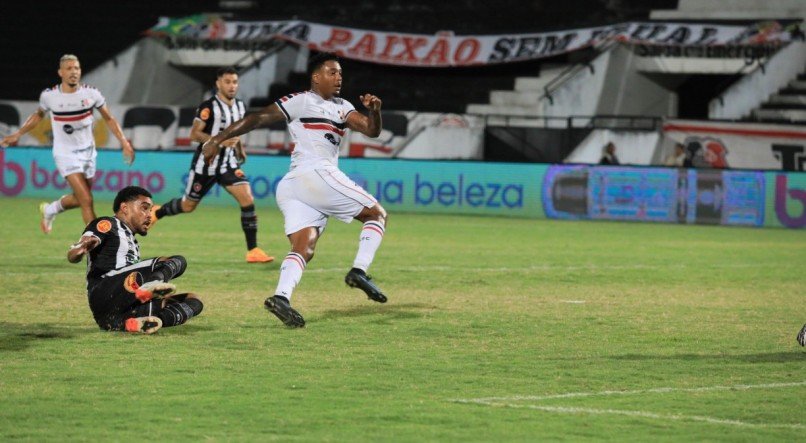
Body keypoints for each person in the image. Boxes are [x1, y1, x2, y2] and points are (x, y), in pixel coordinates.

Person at [202, 52, 388, 328]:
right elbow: (259, 118)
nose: (338, 78)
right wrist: (218, 138)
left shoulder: (342, 106)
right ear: (316, 77)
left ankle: (281, 297)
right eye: (332, 72)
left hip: (295, 186)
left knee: (304, 247)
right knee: (376, 214)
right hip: (314, 174)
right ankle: (359, 271)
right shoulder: (301, 100)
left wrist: (374, 111)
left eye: (340, 74)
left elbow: (371, 131)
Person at [150, 67, 273, 264]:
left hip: (228, 164)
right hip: (205, 165)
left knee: (247, 199)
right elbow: (194, 134)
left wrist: (240, 147)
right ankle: (157, 212)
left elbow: (237, 129)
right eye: (227, 82)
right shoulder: (209, 107)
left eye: (234, 82)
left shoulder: (240, 106)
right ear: (218, 83)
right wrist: (218, 141)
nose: (232, 86)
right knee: (188, 205)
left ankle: (253, 250)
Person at [0, 54, 134, 234]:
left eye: (77, 68)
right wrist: (18, 133)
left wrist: (124, 142)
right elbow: (38, 115)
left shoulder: (91, 94)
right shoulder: (50, 96)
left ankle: (50, 209)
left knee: (80, 198)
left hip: (88, 153)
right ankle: (96, 244)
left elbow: (109, 118)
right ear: (60, 72)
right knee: (86, 199)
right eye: (69, 68)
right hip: (65, 154)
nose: (74, 72)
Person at [67, 186, 203, 334]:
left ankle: (131, 323)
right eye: (144, 208)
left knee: (194, 302)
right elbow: (77, 250)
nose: (149, 216)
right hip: (104, 291)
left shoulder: (131, 240)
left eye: (150, 210)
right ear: (125, 208)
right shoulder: (108, 224)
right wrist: (80, 249)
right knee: (176, 261)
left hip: (112, 312)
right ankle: (151, 285)